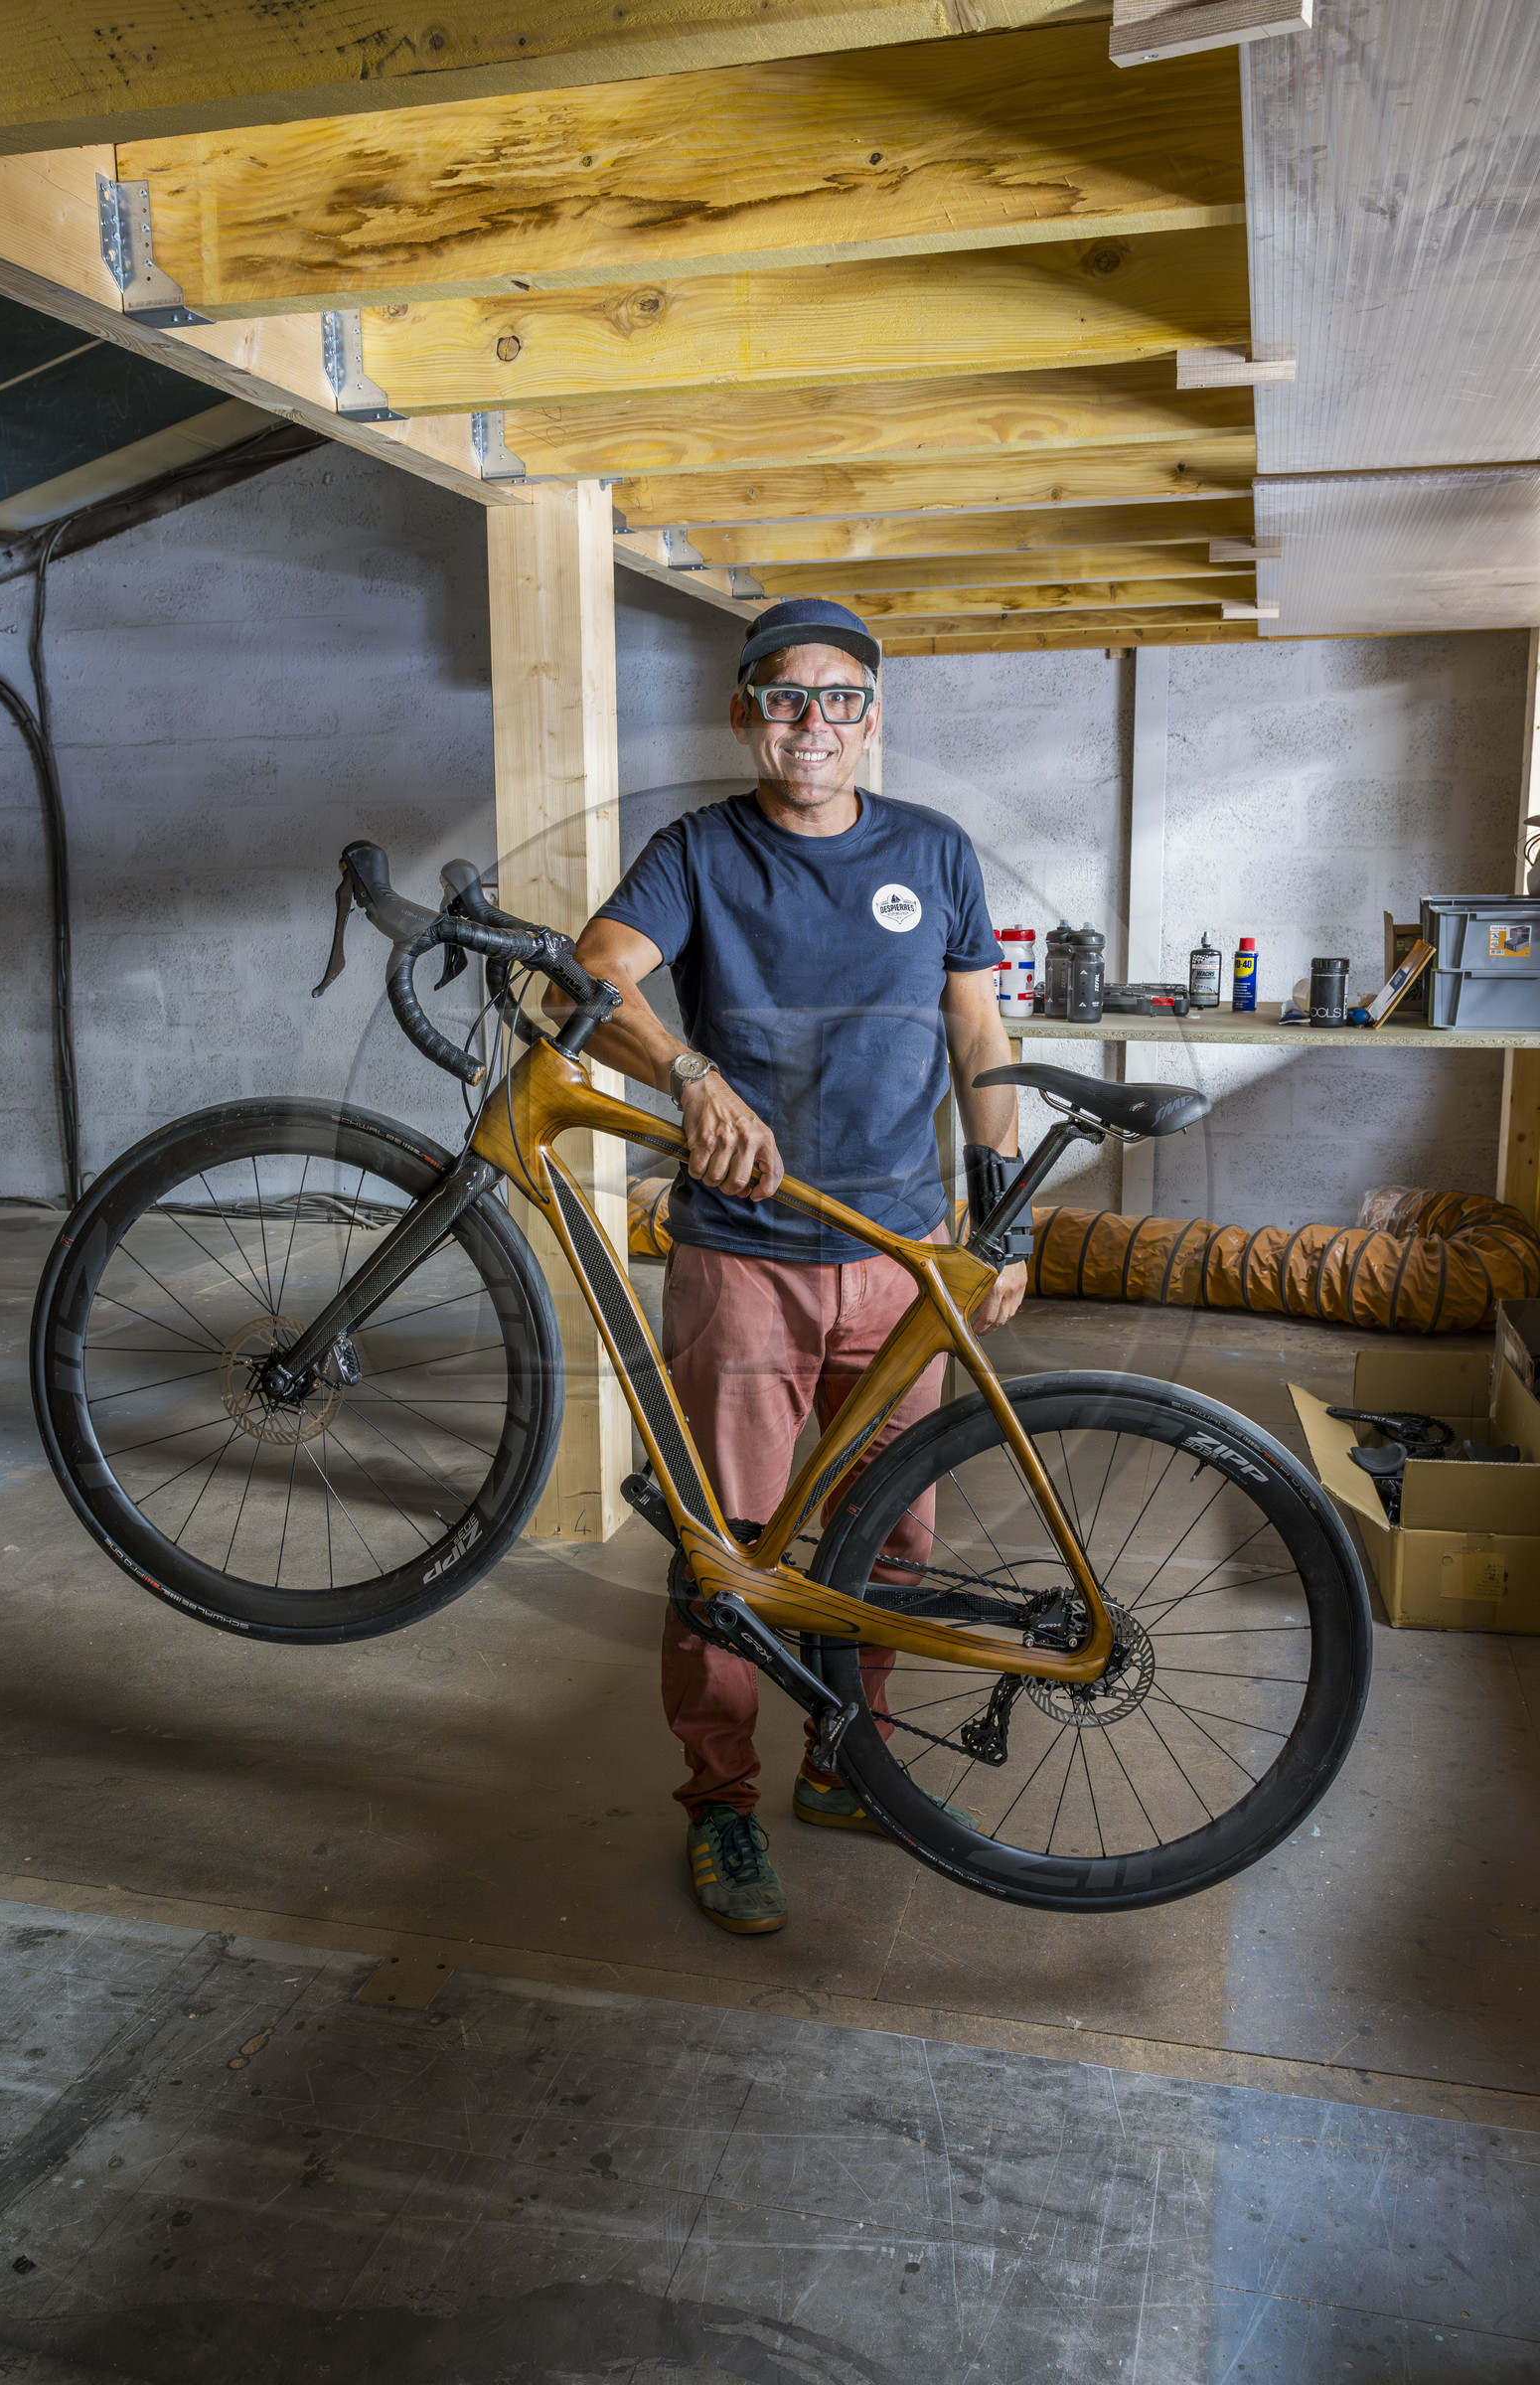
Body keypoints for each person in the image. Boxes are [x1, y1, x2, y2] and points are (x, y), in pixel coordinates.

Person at [549, 596, 1026, 1935]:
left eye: (838, 700)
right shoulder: (698, 851)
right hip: (743, 1260)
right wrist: (690, 1075)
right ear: (743, 711)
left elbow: (978, 1031)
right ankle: (721, 1807)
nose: (810, 724)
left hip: (900, 1256)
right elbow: (589, 976)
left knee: (893, 1533)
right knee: (730, 1550)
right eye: (782, 698)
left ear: (873, 718)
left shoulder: (933, 853)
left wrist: (1004, 1219)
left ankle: (844, 1760)